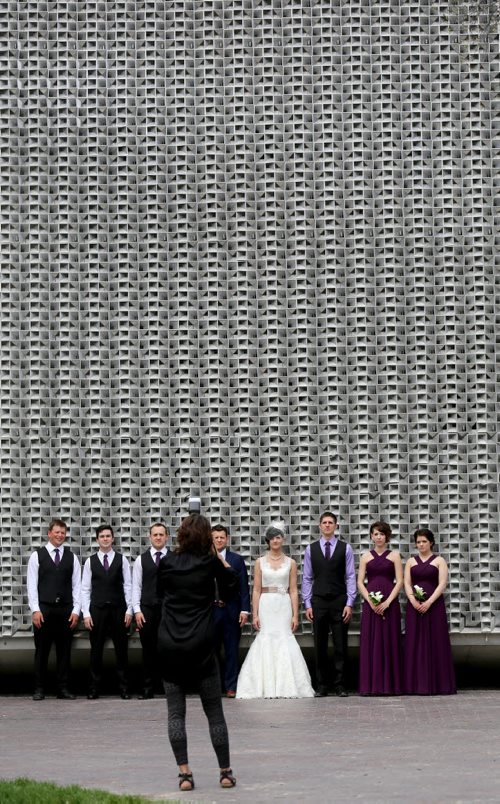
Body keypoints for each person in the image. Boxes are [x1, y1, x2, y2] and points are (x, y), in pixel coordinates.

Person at [157, 513, 238, 792]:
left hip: (170, 646)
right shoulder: (209, 564)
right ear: (207, 538)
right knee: (214, 711)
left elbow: (159, 597)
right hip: (202, 647)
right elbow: (230, 584)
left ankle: (185, 775)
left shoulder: (166, 562)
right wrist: (216, 554)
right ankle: (225, 772)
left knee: (175, 714)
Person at [236, 523, 314, 699]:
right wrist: (254, 614)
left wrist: (296, 615)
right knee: (266, 638)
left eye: (278, 537)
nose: (275, 540)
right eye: (272, 537)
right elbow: (256, 589)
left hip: (283, 604)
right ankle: (263, 686)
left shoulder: (291, 563)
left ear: (283, 539)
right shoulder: (259, 562)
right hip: (266, 604)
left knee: (284, 639)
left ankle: (287, 686)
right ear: (267, 541)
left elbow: (293, 590)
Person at [302, 510, 356, 697]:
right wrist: (307, 603)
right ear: (320, 526)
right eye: (324, 522)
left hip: (339, 601)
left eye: (330, 522)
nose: (327, 525)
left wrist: (349, 603)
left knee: (341, 645)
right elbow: (307, 578)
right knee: (320, 645)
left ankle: (341, 685)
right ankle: (322, 685)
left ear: (335, 526)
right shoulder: (311, 549)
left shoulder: (345, 548)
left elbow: (350, 576)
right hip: (318, 602)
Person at [26, 519, 81, 700]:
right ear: (49, 533)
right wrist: (35, 609)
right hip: (44, 610)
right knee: (41, 651)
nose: (60, 535)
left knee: (64, 652)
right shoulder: (37, 556)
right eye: (56, 532)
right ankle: (39, 688)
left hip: (65, 610)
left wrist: (76, 610)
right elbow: (32, 585)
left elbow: (77, 586)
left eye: (63, 533)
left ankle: (63, 689)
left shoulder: (71, 557)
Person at [81, 524, 133, 699]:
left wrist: (130, 610)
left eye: (108, 536)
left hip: (119, 610)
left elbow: (128, 586)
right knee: (96, 651)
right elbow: (85, 589)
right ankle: (93, 688)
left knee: (122, 651)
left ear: (113, 538)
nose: (105, 539)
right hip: (97, 611)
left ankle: (125, 688)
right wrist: (86, 614)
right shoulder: (90, 561)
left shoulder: (122, 560)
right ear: (97, 540)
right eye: (102, 536)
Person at [403, 527, 456, 695]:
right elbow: (406, 583)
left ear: (431, 542)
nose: (421, 545)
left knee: (436, 641)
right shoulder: (411, 562)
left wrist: (429, 602)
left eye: (424, 541)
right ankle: (414, 685)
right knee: (414, 642)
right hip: (414, 607)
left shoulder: (439, 560)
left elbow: (442, 584)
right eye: (418, 542)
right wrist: (413, 600)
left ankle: (439, 684)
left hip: (434, 607)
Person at [357, 521, 403, 695]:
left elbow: (399, 581)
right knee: (372, 641)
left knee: (389, 640)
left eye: (382, 534)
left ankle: (391, 685)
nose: (378, 537)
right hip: (371, 604)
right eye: (375, 534)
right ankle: (372, 685)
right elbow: (360, 582)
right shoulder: (365, 557)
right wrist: (370, 601)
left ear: (387, 536)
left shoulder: (395, 556)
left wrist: (388, 602)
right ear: (371, 536)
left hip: (390, 603)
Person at [211, 524, 250, 698]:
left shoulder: (236, 559)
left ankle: (231, 686)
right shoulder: (204, 559)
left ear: (227, 539)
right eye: (216, 537)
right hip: (211, 611)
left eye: (222, 537)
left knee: (232, 651)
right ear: (211, 539)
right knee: (211, 651)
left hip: (231, 611)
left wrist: (244, 610)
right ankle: (214, 687)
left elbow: (243, 586)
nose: (219, 540)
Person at [132, 522, 169, 698]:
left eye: (161, 534)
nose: (158, 537)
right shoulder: (141, 559)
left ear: (166, 537)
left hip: (168, 611)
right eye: (155, 534)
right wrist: (137, 610)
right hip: (146, 610)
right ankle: (147, 688)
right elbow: (136, 587)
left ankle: (167, 687)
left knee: (168, 649)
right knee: (148, 650)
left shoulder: (173, 558)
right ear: (150, 537)